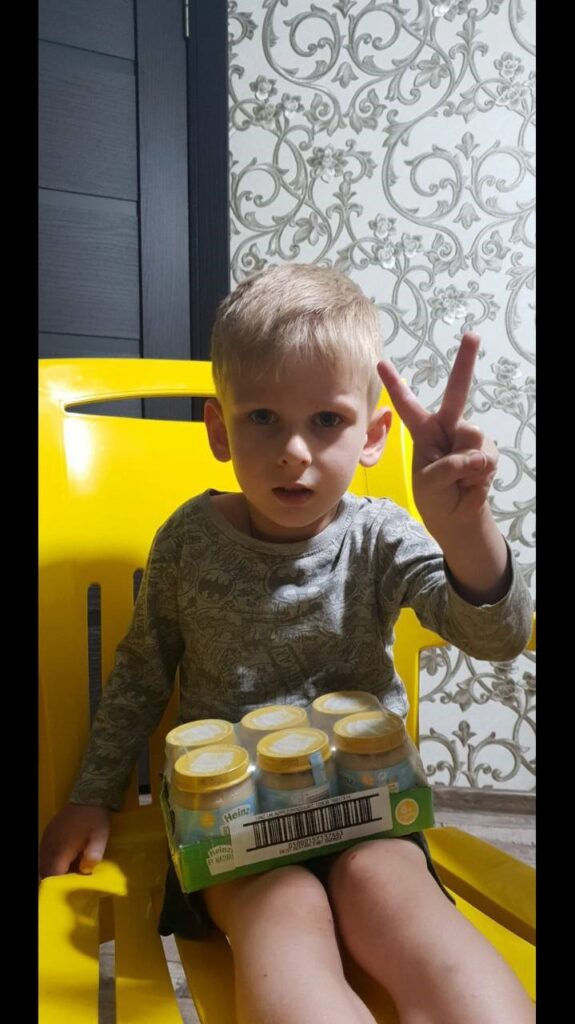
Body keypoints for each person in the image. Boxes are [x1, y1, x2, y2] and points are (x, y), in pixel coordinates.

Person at [40, 264, 534, 1023]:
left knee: (402, 906)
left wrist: (464, 530)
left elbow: (492, 636)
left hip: (368, 812)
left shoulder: (380, 536)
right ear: (219, 429)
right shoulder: (188, 542)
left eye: (326, 421)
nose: (293, 452)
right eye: (263, 418)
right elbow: (142, 671)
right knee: (284, 913)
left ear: (373, 436)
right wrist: (89, 795)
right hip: (231, 831)